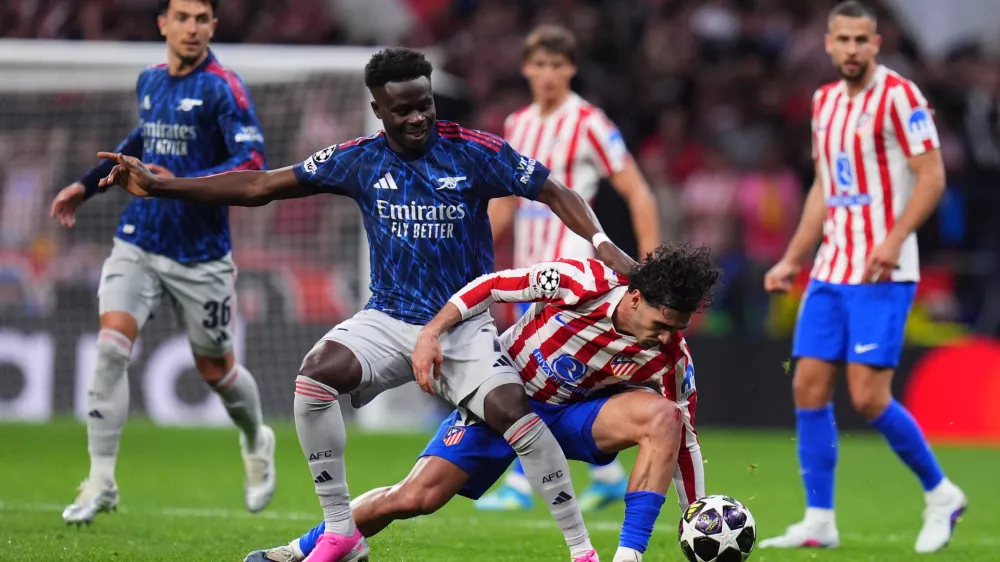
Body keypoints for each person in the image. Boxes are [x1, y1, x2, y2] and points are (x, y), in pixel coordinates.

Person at [98, 47, 639, 562]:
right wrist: (163, 187)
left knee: (514, 416)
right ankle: (339, 532)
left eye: (424, 104)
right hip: (387, 319)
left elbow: (553, 190)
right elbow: (263, 184)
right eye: (402, 110)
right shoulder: (357, 160)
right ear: (378, 108)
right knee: (314, 377)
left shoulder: (475, 151)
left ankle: (581, 551)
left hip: (462, 325)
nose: (417, 118)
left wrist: (601, 243)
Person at [244, 242, 717, 562]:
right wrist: (433, 332)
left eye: (676, 329)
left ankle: (627, 557)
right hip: (500, 402)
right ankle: (302, 548)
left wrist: (698, 517)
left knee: (664, 416)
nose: (666, 337)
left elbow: (685, 440)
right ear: (634, 299)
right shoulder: (580, 282)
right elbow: (489, 286)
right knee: (415, 497)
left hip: (572, 417)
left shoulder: (670, 357)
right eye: (661, 323)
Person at [52, 0, 275, 526]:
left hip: (200, 255)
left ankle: (255, 437)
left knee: (216, 369)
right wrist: (85, 186)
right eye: (182, 17)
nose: (192, 28)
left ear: (213, 26)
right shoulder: (149, 80)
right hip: (139, 240)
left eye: (202, 19)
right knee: (110, 348)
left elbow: (251, 166)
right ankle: (101, 480)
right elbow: (143, 140)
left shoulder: (225, 88)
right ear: (163, 24)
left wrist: (169, 183)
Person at [760, 1, 965, 553]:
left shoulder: (901, 96)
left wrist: (894, 238)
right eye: (842, 39)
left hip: (884, 270)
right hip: (831, 268)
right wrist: (793, 258)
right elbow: (825, 188)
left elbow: (932, 175)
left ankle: (942, 494)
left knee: (870, 397)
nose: (851, 49)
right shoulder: (824, 102)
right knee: (807, 385)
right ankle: (819, 520)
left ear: (877, 44)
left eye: (861, 40)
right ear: (828, 44)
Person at [482, 23, 661, 514]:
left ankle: (522, 482)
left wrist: (650, 266)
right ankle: (606, 473)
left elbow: (637, 190)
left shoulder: (589, 122)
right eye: (539, 64)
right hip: (530, 271)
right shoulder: (518, 124)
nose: (547, 74)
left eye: (557, 65)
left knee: (534, 372)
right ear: (525, 68)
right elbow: (509, 204)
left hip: (576, 271)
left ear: (571, 69)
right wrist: (474, 251)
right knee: (550, 374)